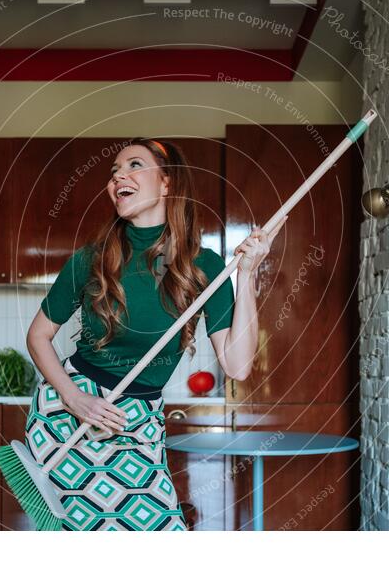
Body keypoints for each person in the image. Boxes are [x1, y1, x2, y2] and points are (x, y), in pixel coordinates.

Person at [24, 138, 287, 531]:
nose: (118, 178)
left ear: (167, 183)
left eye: (133, 166)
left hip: (140, 418)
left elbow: (238, 365)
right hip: (68, 416)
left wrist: (247, 274)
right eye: (113, 172)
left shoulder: (204, 265)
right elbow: (38, 337)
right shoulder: (91, 259)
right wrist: (73, 397)